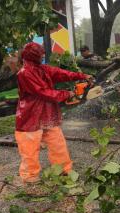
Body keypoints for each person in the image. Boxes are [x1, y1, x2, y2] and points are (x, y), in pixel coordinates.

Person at [15, 42, 93, 184]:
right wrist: (67, 94)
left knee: (57, 143)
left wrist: (81, 76)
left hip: (47, 113)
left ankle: (64, 170)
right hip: (30, 116)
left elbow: (60, 73)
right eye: (41, 54)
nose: (43, 56)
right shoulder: (24, 73)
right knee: (29, 149)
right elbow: (42, 92)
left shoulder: (42, 69)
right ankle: (30, 176)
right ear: (33, 56)